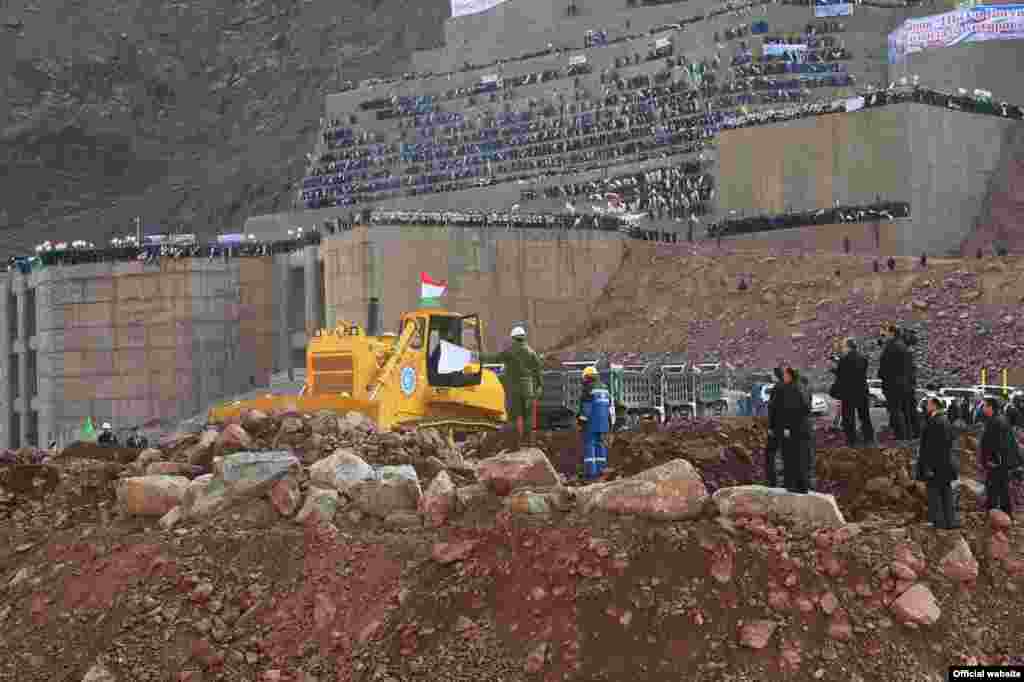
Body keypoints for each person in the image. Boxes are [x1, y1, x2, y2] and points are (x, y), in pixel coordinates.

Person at [478, 326, 543, 446]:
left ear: (513, 338)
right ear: (524, 338)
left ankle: (514, 444)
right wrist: (539, 386)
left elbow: (494, 358)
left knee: (513, 417)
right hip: (528, 389)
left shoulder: (509, 351)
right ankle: (528, 443)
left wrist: (477, 356)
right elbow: (538, 371)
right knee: (527, 417)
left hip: (513, 389)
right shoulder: (532, 353)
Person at [918, 397, 959, 529]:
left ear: (934, 406)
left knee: (934, 493)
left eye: (928, 404)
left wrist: (928, 466)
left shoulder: (935, 422)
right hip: (945, 464)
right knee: (946, 493)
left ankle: (938, 522)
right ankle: (950, 521)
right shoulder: (945, 420)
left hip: (935, 465)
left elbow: (931, 447)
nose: (926, 406)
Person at [834, 338, 876, 447]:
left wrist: (835, 367)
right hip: (862, 390)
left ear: (848, 347)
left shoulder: (844, 359)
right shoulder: (863, 358)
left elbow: (841, 375)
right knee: (865, 416)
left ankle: (851, 440)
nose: (842, 349)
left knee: (848, 417)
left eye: (843, 346)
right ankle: (869, 438)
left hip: (848, 393)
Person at [776, 367, 811, 493]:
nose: (783, 377)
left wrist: (787, 428)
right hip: (804, 427)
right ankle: (803, 485)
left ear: (790, 376)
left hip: (795, 429)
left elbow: (790, 411)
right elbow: (807, 407)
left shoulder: (791, 389)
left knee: (794, 458)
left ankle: (798, 486)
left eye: (785, 375)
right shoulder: (802, 387)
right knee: (803, 457)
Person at [980, 398, 1016, 516]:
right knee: (1002, 487)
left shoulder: (995, 421)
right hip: (1001, 462)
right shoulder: (999, 419)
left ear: (990, 407)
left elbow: (999, 444)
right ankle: (1004, 512)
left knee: (994, 488)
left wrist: (992, 460)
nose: (983, 408)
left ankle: (993, 513)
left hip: (997, 463)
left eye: (984, 406)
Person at [878, 323, 912, 440]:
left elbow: (885, 366)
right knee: (903, 410)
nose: (884, 335)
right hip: (904, 382)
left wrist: (881, 376)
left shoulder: (890, 346)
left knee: (895, 409)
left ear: (892, 333)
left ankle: (900, 436)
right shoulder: (903, 346)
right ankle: (907, 435)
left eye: (886, 332)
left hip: (892, 383)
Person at [577, 366, 612, 479]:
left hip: (591, 422)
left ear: (586, 377)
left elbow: (587, 407)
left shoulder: (588, 389)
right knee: (600, 444)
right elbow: (610, 407)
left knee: (590, 445)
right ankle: (602, 470)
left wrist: (581, 421)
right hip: (604, 423)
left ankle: (591, 472)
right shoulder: (605, 388)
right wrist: (610, 422)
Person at [765, 367, 784, 487]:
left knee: (770, 453)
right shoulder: (787, 386)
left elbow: (773, 409)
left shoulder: (777, 388)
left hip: (777, 426)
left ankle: (773, 481)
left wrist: (771, 427)